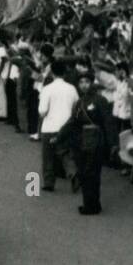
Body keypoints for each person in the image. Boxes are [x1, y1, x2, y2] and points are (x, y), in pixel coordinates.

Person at [38, 60, 81, 191]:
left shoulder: (47, 89)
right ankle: (73, 173)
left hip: (50, 126)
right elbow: (77, 106)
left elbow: (42, 110)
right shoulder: (72, 88)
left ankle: (49, 182)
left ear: (52, 73)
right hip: (66, 126)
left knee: (48, 156)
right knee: (65, 153)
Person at [73, 69, 108, 215]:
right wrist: (61, 136)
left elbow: (108, 122)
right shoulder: (79, 102)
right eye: (81, 82)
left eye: (87, 82)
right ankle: (90, 203)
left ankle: (92, 206)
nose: (84, 85)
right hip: (82, 141)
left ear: (92, 83)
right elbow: (73, 123)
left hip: (96, 140)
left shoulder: (100, 100)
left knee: (92, 173)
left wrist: (112, 145)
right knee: (84, 172)